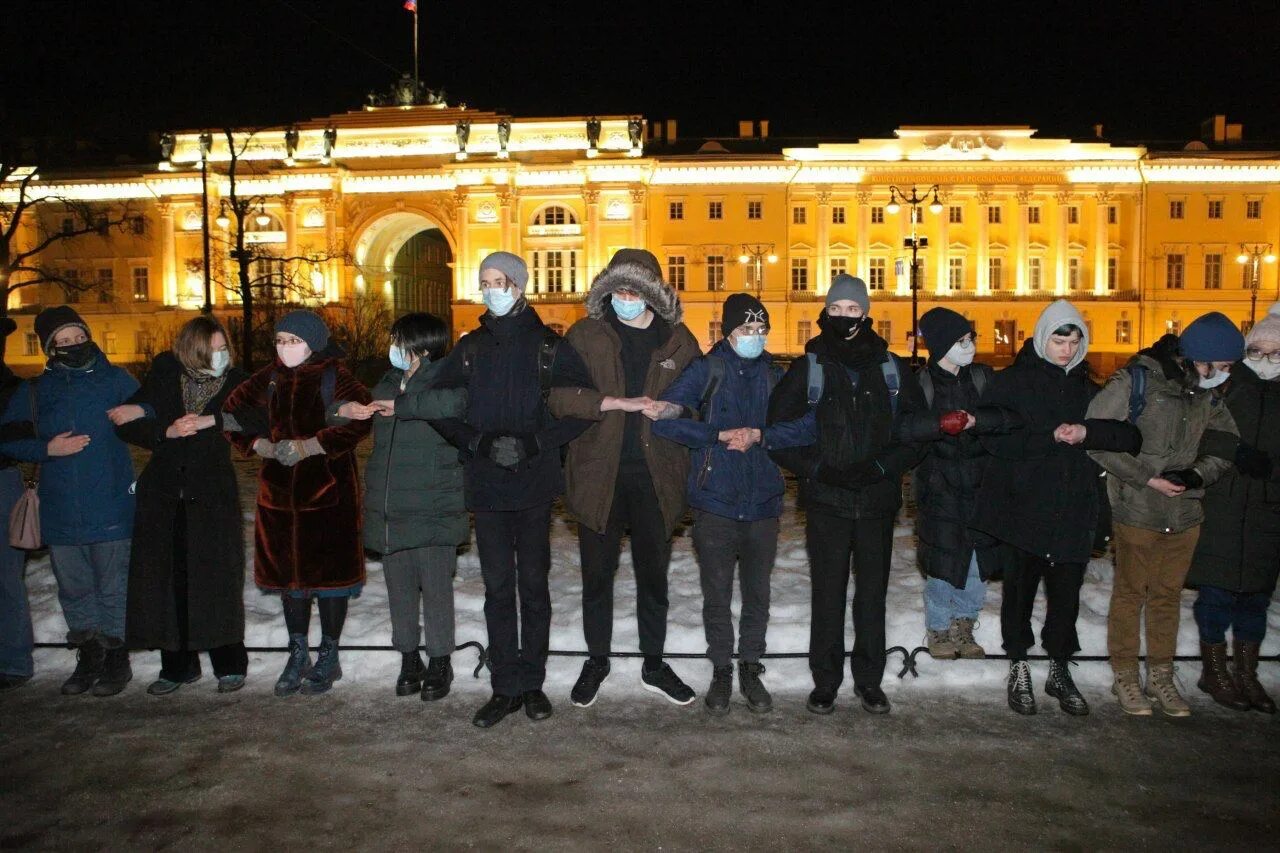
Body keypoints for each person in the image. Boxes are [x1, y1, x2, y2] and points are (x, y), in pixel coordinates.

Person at [431, 252, 594, 728]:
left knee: (534, 587)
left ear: (520, 285)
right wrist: (476, 441)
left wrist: (534, 444)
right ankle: (505, 685)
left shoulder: (550, 345)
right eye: (485, 282)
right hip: (487, 485)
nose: (491, 290)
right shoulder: (470, 347)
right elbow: (437, 407)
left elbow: (582, 409)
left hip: (534, 484)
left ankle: (533, 682)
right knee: (498, 588)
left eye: (500, 281)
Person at [546, 249, 702, 709]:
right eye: (617, 289)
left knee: (654, 578)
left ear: (653, 291)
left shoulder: (679, 341)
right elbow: (557, 398)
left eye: (635, 289)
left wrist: (676, 409)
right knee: (598, 577)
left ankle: (653, 663)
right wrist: (607, 403)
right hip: (600, 477)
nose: (626, 298)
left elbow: (699, 406)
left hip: (658, 478)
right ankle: (597, 659)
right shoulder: (586, 335)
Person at [970, 299, 1141, 716]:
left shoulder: (1091, 389)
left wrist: (1087, 430)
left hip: (1073, 510)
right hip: (1023, 508)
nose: (1065, 348)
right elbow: (992, 437)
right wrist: (1048, 437)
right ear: (1043, 338)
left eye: (1074, 339)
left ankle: (1060, 666)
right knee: (1019, 594)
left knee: (1066, 598)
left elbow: (1130, 437)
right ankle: (1019, 664)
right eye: (1058, 339)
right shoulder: (1012, 382)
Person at [768, 274, 927, 715]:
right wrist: (818, 469)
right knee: (828, 593)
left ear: (866, 313)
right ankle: (826, 680)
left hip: (877, 502)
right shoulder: (810, 367)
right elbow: (778, 434)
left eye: (851, 309)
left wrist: (883, 467)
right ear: (826, 312)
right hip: (827, 502)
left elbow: (916, 434)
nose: (843, 316)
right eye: (835, 309)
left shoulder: (891, 368)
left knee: (872, 596)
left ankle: (869, 680)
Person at [651, 293, 815, 714]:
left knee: (758, 592)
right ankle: (722, 668)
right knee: (717, 592)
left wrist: (763, 436)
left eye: (761, 330)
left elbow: (810, 425)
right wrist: (716, 435)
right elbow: (668, 421)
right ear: (728, 331)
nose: (754, 338)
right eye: (746, 330)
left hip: (763, 500)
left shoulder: (777, 376)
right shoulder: (708, 369)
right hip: (716, 500)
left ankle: (750, 666)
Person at [1086, 315, 1241, 717]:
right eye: (1218, 366)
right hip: (1137, 509)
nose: (1222, 375)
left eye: (1228, 368)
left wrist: (1196, 474)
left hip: (1186, 512)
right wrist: (1147, 478)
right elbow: (1095, 439)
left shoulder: (1207, 394)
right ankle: (1125, 675)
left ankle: (1161, 675)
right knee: (1130, 594)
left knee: (1167, 597)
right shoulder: (1136, 381)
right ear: (1194, 358)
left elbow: (1226, 445)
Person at [222, 310, 372, 696]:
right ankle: (298, 650)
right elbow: (230, 414)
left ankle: (330, 653)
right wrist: (261, 445)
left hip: (328, 492)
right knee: (291, 579)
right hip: (279, 496)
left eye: (294, 341)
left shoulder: (334, 375)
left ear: (313, 344)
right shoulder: (268, 377)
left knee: (330, 579)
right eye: (280, 340)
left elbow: (362, 419)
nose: (285, 348)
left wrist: (311, 445)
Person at [107, 316, 251, 695]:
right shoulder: (166, 374)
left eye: (224, 349)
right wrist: (162, 429)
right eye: (211, 350)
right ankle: (177, 664)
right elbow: (124, 420)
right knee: (169, 580)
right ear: (191, 350)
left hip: (212, 494)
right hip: (165, 494)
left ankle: (229, 662)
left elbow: (258, 418)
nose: (220, 356)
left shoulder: (236, 380)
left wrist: (212, 420)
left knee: (216, 579)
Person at [328, 312, 467, 701]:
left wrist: (403, 404)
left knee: (436, 587)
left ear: (421, 346)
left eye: (399, 339)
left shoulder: (447, 377)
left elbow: (456, 403)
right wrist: (344, 410)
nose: (393, 346)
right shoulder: (388, 380)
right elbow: (337, 408)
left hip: (433, 501)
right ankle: (409, 658)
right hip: (389, 506)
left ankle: (440, 660)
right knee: (399, 587)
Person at [0, 306, 139, 696]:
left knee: (114, 585)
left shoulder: (117, 379)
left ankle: (117, 656)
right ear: (49, 348)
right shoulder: (34, 390)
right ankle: (89, 653)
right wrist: (47, 448)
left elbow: (154, 414)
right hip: (61, 507)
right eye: (63, 341)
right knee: (74, 587)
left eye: (78, 337)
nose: (74, 345)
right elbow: (9, 439)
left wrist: (140, 409)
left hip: (110, 501)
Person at [899, 308, 1017, 661]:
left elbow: (1010, 418)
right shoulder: (921, 384)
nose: (968, 347)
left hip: (982, 487)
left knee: (977, 564)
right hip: (940, 490)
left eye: (970, 339)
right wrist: (939, 424)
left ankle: (964, 625)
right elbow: (904, 428)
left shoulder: (982, 378)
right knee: (942, 564)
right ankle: (938, 628)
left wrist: (978, 421)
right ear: (939, 346)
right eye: (960, 341)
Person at [1186, 303, 1280, 714]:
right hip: (1222, 507)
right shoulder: (1226, 385)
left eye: (1275, 353)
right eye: (1257, 350)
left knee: (1255, 600)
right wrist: (1234, 450)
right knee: (1216, 595)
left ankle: (1246, 673)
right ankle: (1214, 671)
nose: (1265, 360)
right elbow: (1194, 432)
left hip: (1266, 511)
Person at [0, 318, 35, 692]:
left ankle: (13, 660)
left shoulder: (13, 388)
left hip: (2, 479)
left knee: (6, 578)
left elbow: (22, 432)